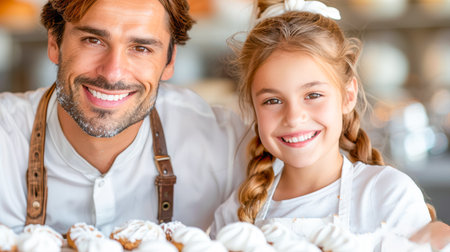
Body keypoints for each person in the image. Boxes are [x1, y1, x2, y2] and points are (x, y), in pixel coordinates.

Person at [211, 0, 450, 250]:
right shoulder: (236, 212)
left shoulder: (387, 195)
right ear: (253, 107)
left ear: (348, 96)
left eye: (313, 95)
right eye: (272, 100)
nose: (293, 117)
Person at [0, 0, 249, 235]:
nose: (112, 73)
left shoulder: (226, 144)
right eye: (93, 40)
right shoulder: (6, 137)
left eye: (141, 48)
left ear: (169, 61)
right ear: (54, 43)